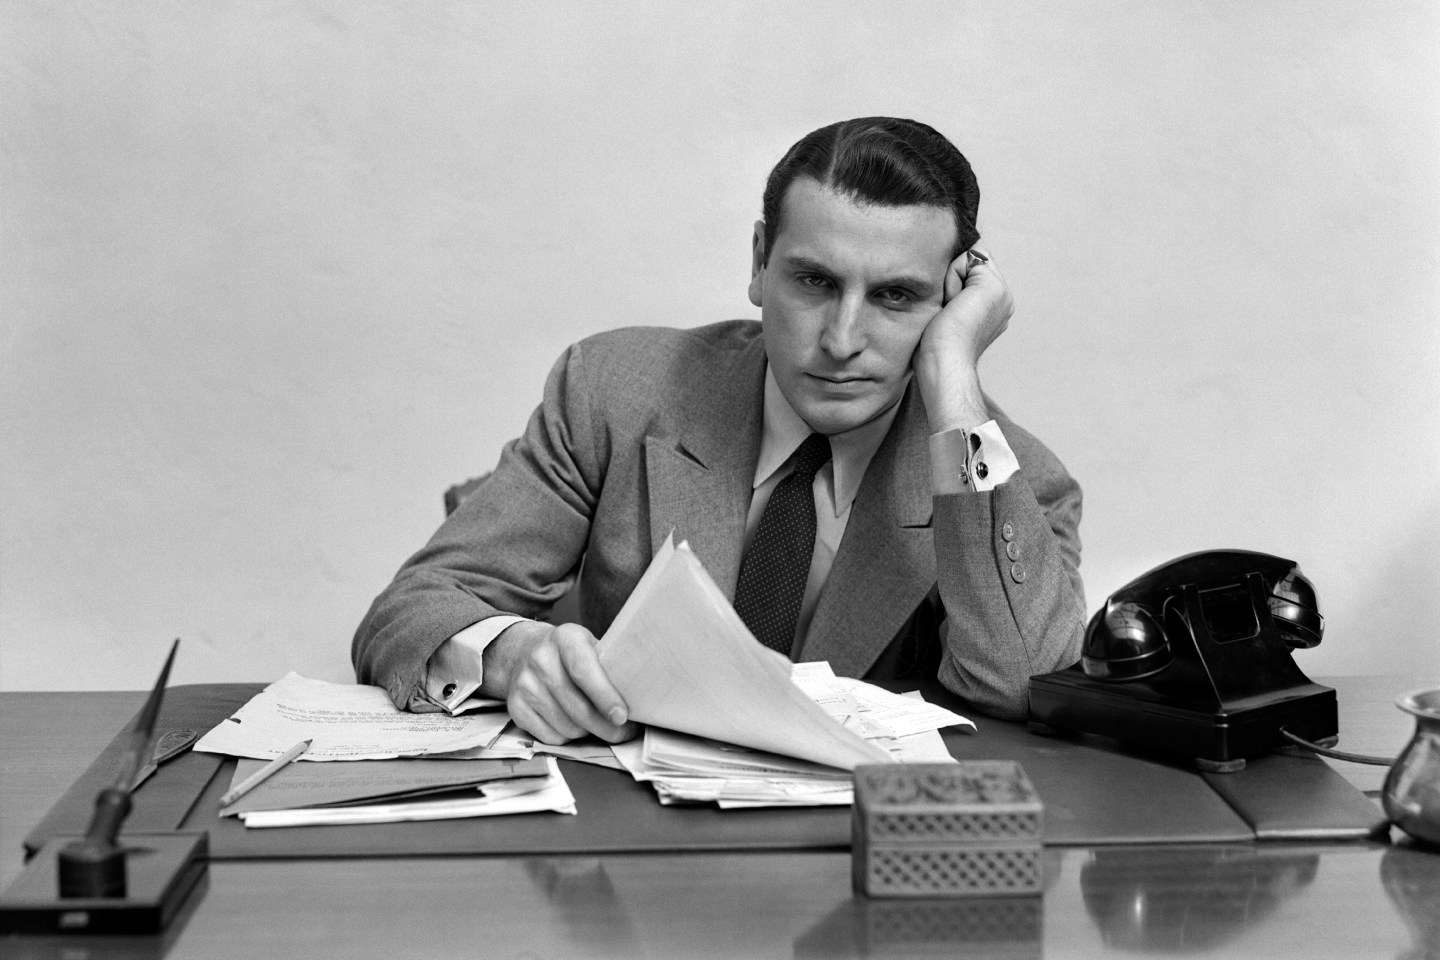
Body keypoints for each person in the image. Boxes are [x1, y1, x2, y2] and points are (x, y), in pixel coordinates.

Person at [352, 117, 1086, 743]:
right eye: (814, 281)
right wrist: (515, 654)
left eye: (897, 296)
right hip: (628, 848)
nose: (841, 339)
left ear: (956, 297)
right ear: (760, 261)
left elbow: (1022, 681)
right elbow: (411, 609)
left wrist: (954, 380)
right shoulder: (613, 391)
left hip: (847, 857)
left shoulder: (1006, 475)